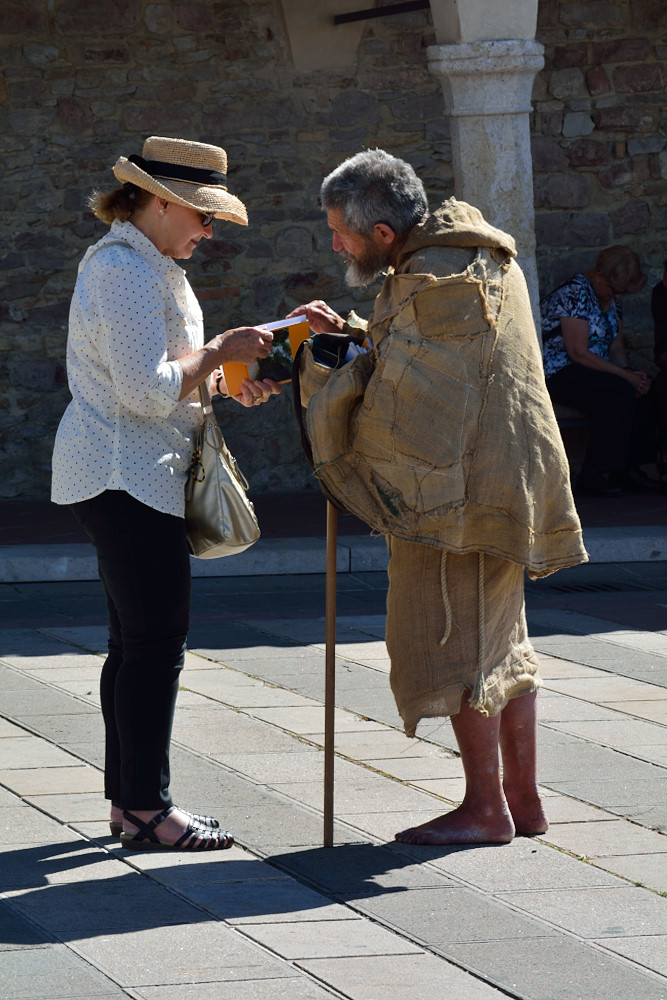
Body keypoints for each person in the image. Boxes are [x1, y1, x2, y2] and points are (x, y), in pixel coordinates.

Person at [288, 148, 587, 846]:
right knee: (502, 645)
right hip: (505, 483)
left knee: (455, 645)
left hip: (454, 498)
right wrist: (355, 336)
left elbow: (409, 400)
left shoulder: (433, 283)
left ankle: (486, 810)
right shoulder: (473, 258)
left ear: (384, 234)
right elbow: (431, 364)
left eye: (341, 232)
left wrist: (319, 371)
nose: (335, 244)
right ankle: (521, 801)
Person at [51, 136, 280, 851]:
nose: (207, 231)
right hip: (125, 473)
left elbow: (166, 379)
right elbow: (146, 390)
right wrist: (222, 351)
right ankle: (148, 808)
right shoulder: (122, 269)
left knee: (136, 642)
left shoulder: (145, 263)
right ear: (159, 201)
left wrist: (226, 381)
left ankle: (131, 804)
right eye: (202, 217)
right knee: (154, 643)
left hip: (131, 470)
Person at [540, 246, 661, 497]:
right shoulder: (573, 294)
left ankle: (630, 468)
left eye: (622, 293)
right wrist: (624, 377)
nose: (618, 297)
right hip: (560, 371)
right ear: (599, 277)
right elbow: (578, 352)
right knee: (617, 392)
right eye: (615, 291)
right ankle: (595, 474)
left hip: (595, 368)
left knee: (645, 388)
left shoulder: (610, 298)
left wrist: (630, 373)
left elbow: (615, 344)